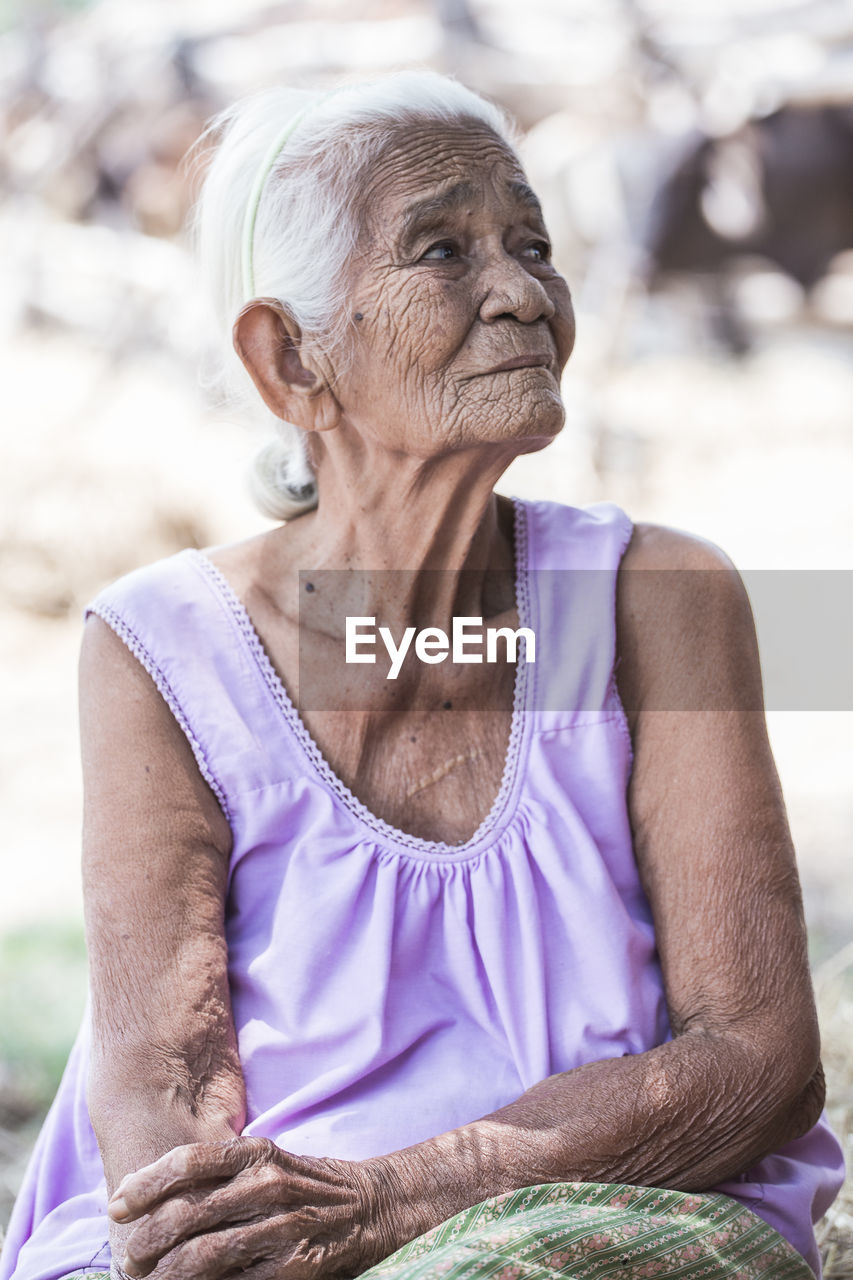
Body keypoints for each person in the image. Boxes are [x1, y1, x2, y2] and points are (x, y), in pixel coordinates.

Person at [0, 69, 844, 1280]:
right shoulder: (157, 646)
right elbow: (166, 1097)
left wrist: (404, 1195)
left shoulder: (665, 601)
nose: (520, 293)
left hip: (615, 1205)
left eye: (532, 242)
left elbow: (759, 1058)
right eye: (441, 249)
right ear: (290, 357)